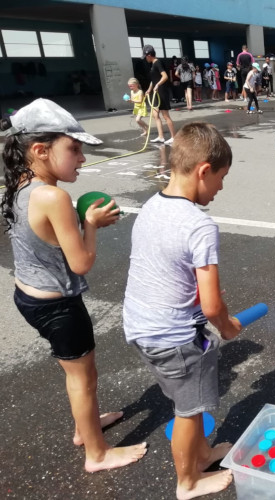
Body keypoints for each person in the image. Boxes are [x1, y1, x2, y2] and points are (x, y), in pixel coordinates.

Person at [0, 98, 148, 473]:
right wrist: (92, 225)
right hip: (58, 306)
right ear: (40, 150)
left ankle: (88, 427)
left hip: (29, 295)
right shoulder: (54, 196)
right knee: (83, 379)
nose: (82, 158)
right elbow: (81, 262)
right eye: (74, 149)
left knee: (78, 375)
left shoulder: (20, 183)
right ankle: (95, 453)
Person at [123, 122, 242, 500]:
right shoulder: (199, 225)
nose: (221, 188)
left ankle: (203, 455)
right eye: (221, 178)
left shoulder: (152, 205)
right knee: (189, 412)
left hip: (142, 328)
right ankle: (187, 482)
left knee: (183, 399)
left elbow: (159, 269)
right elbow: (211, 305)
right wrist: (227, 326)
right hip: (173, 338)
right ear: (204, 170)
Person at [142, 44, 177, 145]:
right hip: (155, 92)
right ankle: (161, 136)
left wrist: (157, 85)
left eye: (145, 57)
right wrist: (149, 89)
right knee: (155, 114)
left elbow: (165, 76)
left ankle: (173, 137)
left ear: (149, 55)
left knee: (165, 116)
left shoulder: (158, 63)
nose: (145, 59)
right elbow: (154, 80)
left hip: (161, 92)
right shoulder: (153, 64)